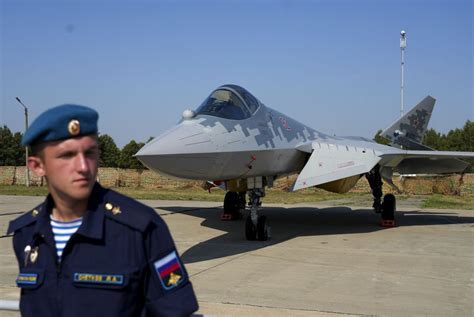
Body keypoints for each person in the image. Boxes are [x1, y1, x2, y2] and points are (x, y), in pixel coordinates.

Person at [7, 104, 198, 316]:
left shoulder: (141, 228)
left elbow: (175, 311)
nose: (83, 166)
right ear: (37, 167)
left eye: (89, 153)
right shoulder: (26, 234)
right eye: (67, 155)